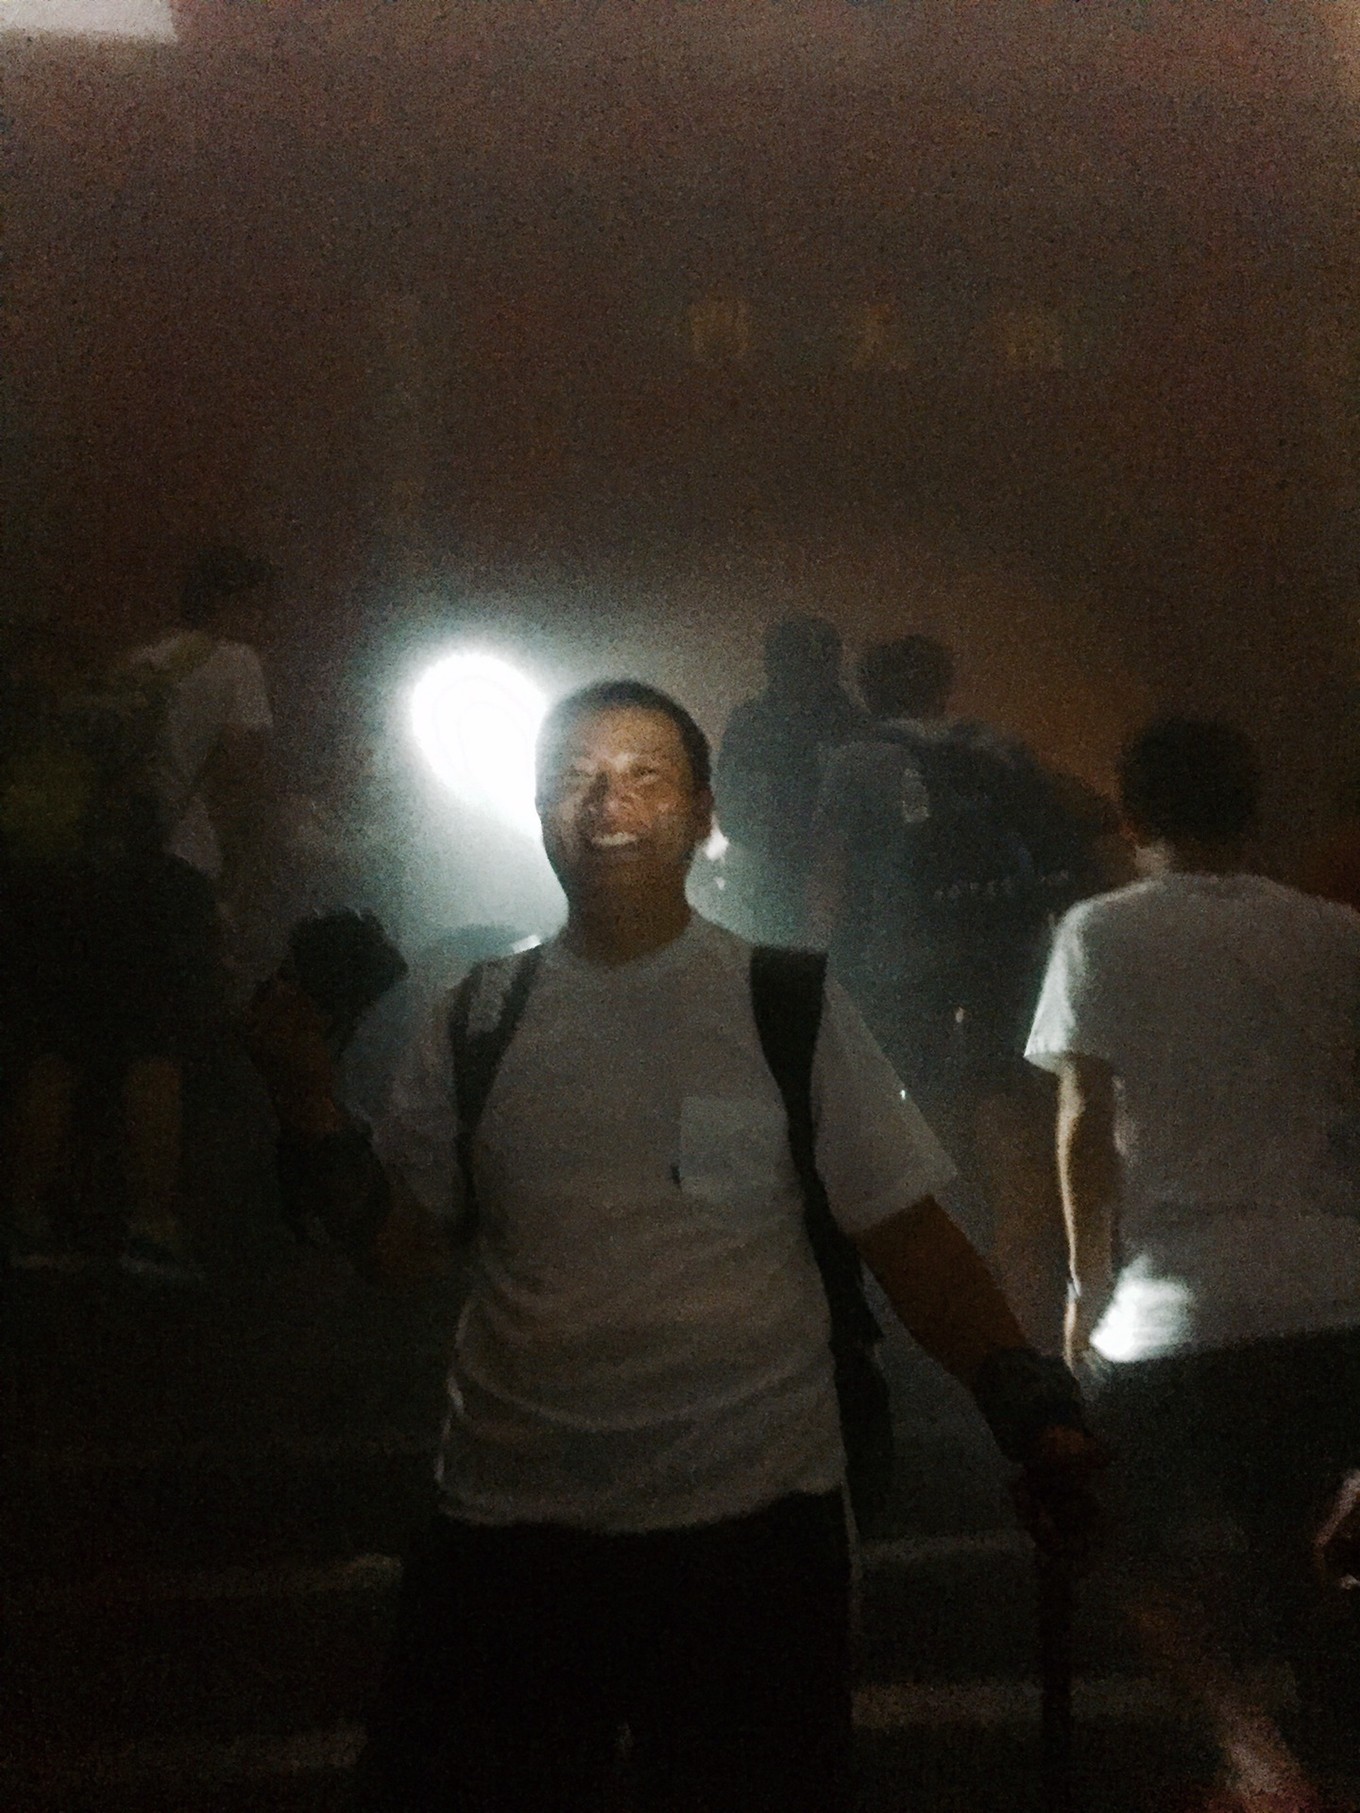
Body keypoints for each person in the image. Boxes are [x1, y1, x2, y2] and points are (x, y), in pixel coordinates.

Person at [244, 677, 1100, 1813]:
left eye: (645, 776)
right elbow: (406, 1250)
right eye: (574, 778)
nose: (607, 803)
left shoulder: (782, 1001)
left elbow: (909, 1237)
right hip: (506, 1526)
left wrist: (1023, 1397)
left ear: (703, 814)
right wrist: (307, 1102)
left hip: (751, 1531)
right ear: (536, 810)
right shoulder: (477, 1014)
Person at [1026, 716, 1360, 1809]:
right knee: (1308, 1543)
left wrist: (1084, 1288)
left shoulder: (1099, 932)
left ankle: (1250, 1750)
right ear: (1252, 807)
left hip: (1172, 1310)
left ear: (1131, 817)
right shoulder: (1334, 933)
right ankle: (1332, 1752)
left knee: (1125, 1548)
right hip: (1329, 1291)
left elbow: (1084, 1121)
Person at [715, 615, 863, 944]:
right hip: (777, 879)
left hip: (842, 883)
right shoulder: (753, 723)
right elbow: (733, 805)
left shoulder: (852, 725)